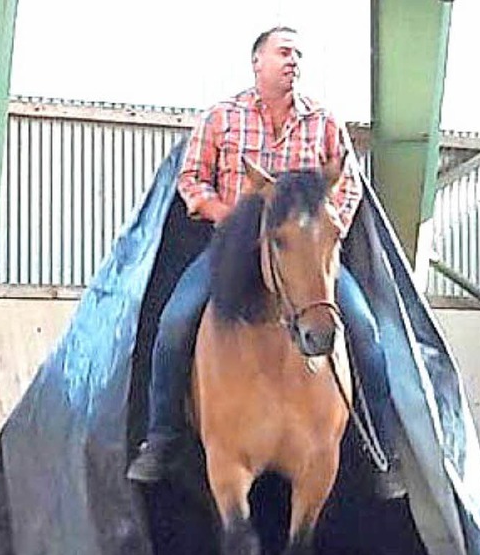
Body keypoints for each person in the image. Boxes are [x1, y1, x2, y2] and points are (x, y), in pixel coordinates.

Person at [127, 26, 398, 488]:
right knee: (174, 320)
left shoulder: (323, 122)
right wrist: (228, 218)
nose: (293, 62)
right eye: (284, 53)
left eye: (298, 55)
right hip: (235, 251)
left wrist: (324, 230)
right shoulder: (222, 118)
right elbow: (192, 179)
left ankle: (380, 448)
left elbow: (348, 184)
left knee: (367, 331)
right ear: (258, 63)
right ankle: (164, 436)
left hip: (305, 254)